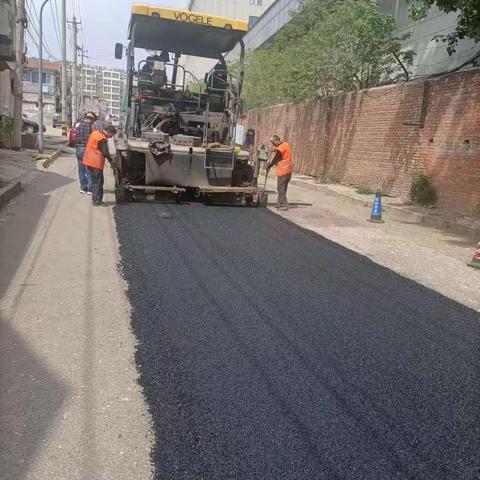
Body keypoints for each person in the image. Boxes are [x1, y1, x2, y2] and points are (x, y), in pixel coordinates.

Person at [82, 125, 117, 206]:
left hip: (88, 160)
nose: (111, 137)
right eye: (111, 135)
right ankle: (97, 200)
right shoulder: (102, 138)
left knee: (94, 181)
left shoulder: (95, 133)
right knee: (98, 182)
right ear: (109, 132)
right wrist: (111, 161)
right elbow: (105, 152)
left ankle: (95, 199)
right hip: (96, 163)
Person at [267, 135, 293, 211]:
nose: (273, 144)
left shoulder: (280, 148)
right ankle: (279, 203)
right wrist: (275, 149)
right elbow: (283, 152)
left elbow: (276, 158)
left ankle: (284, 204)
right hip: (289, 169)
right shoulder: (286, 144)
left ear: (275, 141)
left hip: (283, 170)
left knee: (280, 188)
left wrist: (269, 166)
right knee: (283, 188)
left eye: (273, 143)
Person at [75, 111, 97, 194]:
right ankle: (89, 188)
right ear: (90, 119)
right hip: (87, 150)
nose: (93, 121)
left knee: (81, 170)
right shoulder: (91, 127)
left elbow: (75, 138)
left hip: (79, 149)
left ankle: (83, 188)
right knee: (89, 170)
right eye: (92, 120)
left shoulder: (78, 126)